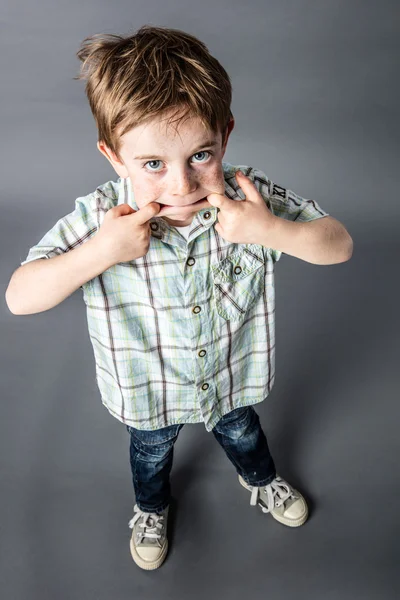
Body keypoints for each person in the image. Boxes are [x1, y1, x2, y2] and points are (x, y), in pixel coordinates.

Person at [5, 25, 353, 571]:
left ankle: (261, 481)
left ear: (226, 134)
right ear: (114, 157)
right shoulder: (99, 219)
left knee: (242, 431)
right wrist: (100, 252)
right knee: (149, 454)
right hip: (149, 391)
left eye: (200, 154)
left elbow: (339, 245)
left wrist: (270, 232)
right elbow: (20, 298)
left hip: (231, 377)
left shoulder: (249, 199)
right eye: (152, 165)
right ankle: (151, 507)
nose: (181, 184)